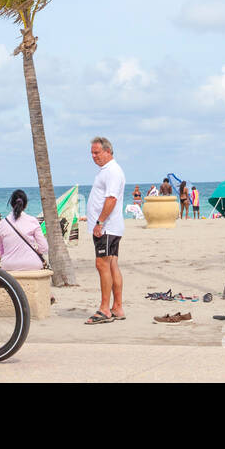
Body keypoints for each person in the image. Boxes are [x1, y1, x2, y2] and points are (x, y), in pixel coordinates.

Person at [85, 136, 126, 324]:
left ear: (108, 151)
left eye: (97, 152)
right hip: (110, 227)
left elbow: (111, 199)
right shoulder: (107, 171)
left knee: (102, 265)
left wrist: (100, 222)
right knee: (111, 265)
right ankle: (117, 307)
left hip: (107, 228)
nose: (93, 156)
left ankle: (105, 309)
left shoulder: (112, 171)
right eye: (92, 153)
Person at [0, 189, 49, 272]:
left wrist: (8, 255)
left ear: (12, 204)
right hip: (32, 264)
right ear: (25, 205)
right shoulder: (32, 221)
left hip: (8, 265)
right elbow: (44, 247)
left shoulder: (3, 223)